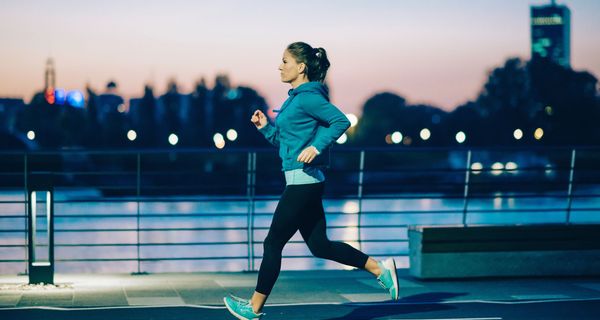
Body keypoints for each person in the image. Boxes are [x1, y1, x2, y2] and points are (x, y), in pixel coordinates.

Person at [223, 42, 399, 320]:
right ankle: (380, 269)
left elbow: (340, 122)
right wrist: (265, 128)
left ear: (301, 67)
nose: (279, 66)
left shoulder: (308, 98)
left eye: (285, 61)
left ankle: (253, 308)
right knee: (320, 246)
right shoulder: (295, 99)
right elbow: (286, 144)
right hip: (304, 180)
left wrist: (317, 147)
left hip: (303, 182)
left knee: (272, 244)